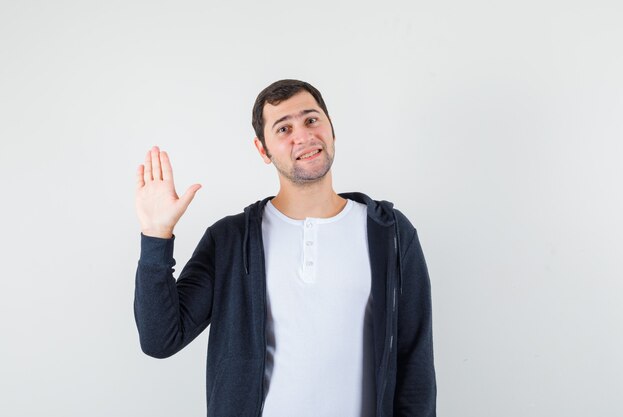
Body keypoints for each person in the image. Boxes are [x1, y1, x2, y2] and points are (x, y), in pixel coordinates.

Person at [134, 79, 436, 416]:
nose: (303, 136)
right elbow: (160, 339)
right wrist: (156, 235)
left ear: (331, 129)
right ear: (263, 149)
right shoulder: (230, 240)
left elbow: (415, 363)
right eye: (283, 128)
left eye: (311, 120)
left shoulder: (390, 232)